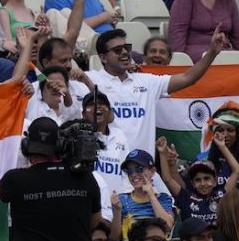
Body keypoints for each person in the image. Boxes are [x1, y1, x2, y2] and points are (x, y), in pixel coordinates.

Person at [86, 26, 223, 154]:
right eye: (117, 50)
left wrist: (212, 53)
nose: (124, 53)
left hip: (144, 171)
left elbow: (188, 78)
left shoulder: (147, 81)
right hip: (108, 168)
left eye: (126, 48)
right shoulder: (90, 80)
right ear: (103, 57)